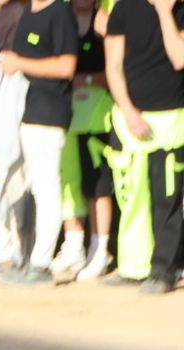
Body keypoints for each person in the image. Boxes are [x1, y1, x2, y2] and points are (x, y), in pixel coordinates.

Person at [0, 0, 78, 284]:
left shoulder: (61, 12)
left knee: (45, 186)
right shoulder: (29, 11)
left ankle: (41, 263)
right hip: (15, 111)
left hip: (46, 113)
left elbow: (67, 65)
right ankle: (5, 255)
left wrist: (20, 63)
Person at [104, 0, 184, 294]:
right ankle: (134, 266)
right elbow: (113, 66)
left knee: (167, 199)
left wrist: (164, 12)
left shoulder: (178, 9)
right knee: (132, 195)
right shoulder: (124, 7)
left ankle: (165, 270)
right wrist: (128, 111)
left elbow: (179, 58)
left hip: (171, 119)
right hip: (130, 117)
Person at [53, 0, 117, 280]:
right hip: (65, 119)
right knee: (69, 183)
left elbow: (117, 69)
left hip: (97, 118)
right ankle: (74, 244)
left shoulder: (103, 22)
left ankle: (100, 248)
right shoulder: (60, 18)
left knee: (98, 185)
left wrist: (86, 80)